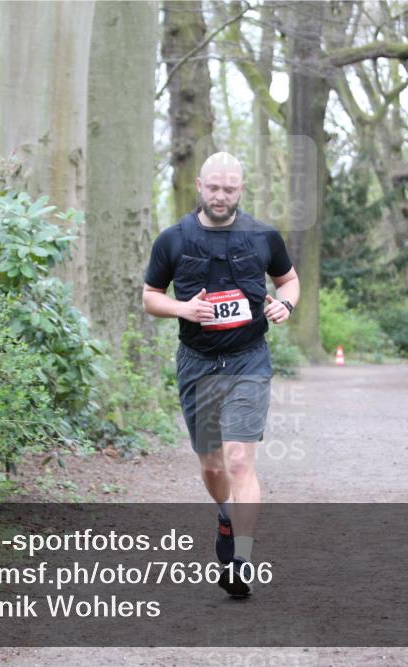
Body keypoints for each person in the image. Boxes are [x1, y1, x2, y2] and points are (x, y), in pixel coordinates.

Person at [142, 152, 299, 598]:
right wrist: (182, 309)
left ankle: (242, 560)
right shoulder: (173, 240)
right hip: (198, 363)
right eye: (213, 187)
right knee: (212, 466)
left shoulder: (264, 236)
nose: (220, 196)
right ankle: (227, 518)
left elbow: (289, 280)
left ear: (241, 190)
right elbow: (150, 296)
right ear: (199, 185)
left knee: (239, 460)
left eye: (229, 189)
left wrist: (285, 305)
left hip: (249, 359)